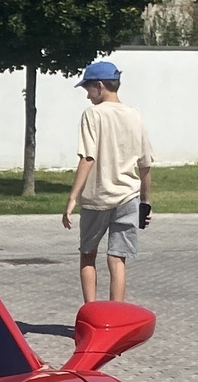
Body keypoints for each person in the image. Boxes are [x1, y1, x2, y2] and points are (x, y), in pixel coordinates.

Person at [60, 58, 156, 302]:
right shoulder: (135, 115)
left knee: (88, 254)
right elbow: (145, 164)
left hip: (97, 198)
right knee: (117, 258)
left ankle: (91, 314)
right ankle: (116, 319)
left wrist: (72, 197)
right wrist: (146, 201)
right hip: (129, 197)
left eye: (87, 89)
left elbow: (88, 157)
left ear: (100, 86)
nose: (87, 96)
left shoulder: (93, 115)